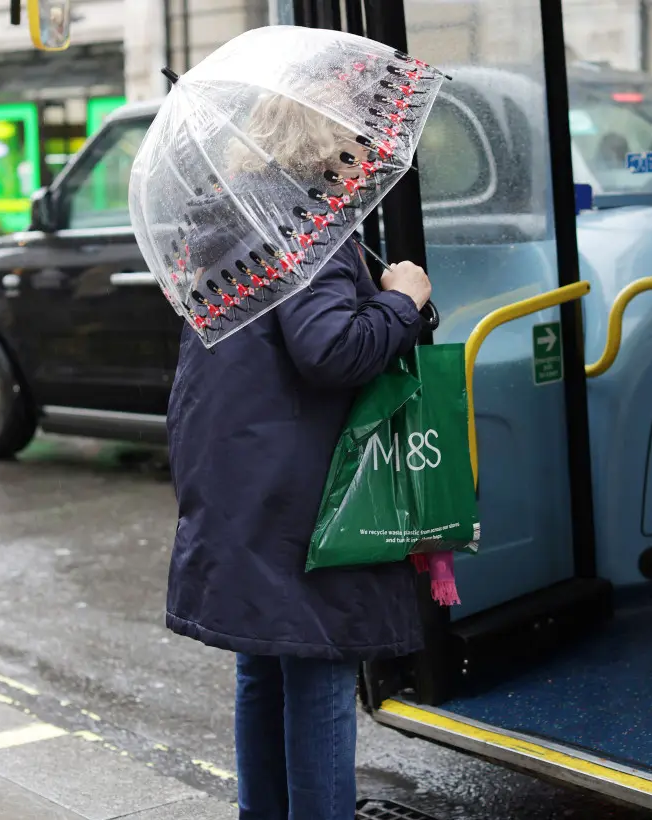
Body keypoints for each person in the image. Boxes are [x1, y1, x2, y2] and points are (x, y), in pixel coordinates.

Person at [164, 92, 433, 820]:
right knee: (319, 661)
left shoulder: (230, 213)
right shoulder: (303, 221)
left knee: (267, 656)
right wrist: (402, 301)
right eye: (356, 140)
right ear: (323, 142)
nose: (368, 154)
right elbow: (329, 350)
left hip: (236, 467)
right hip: (294, 481)